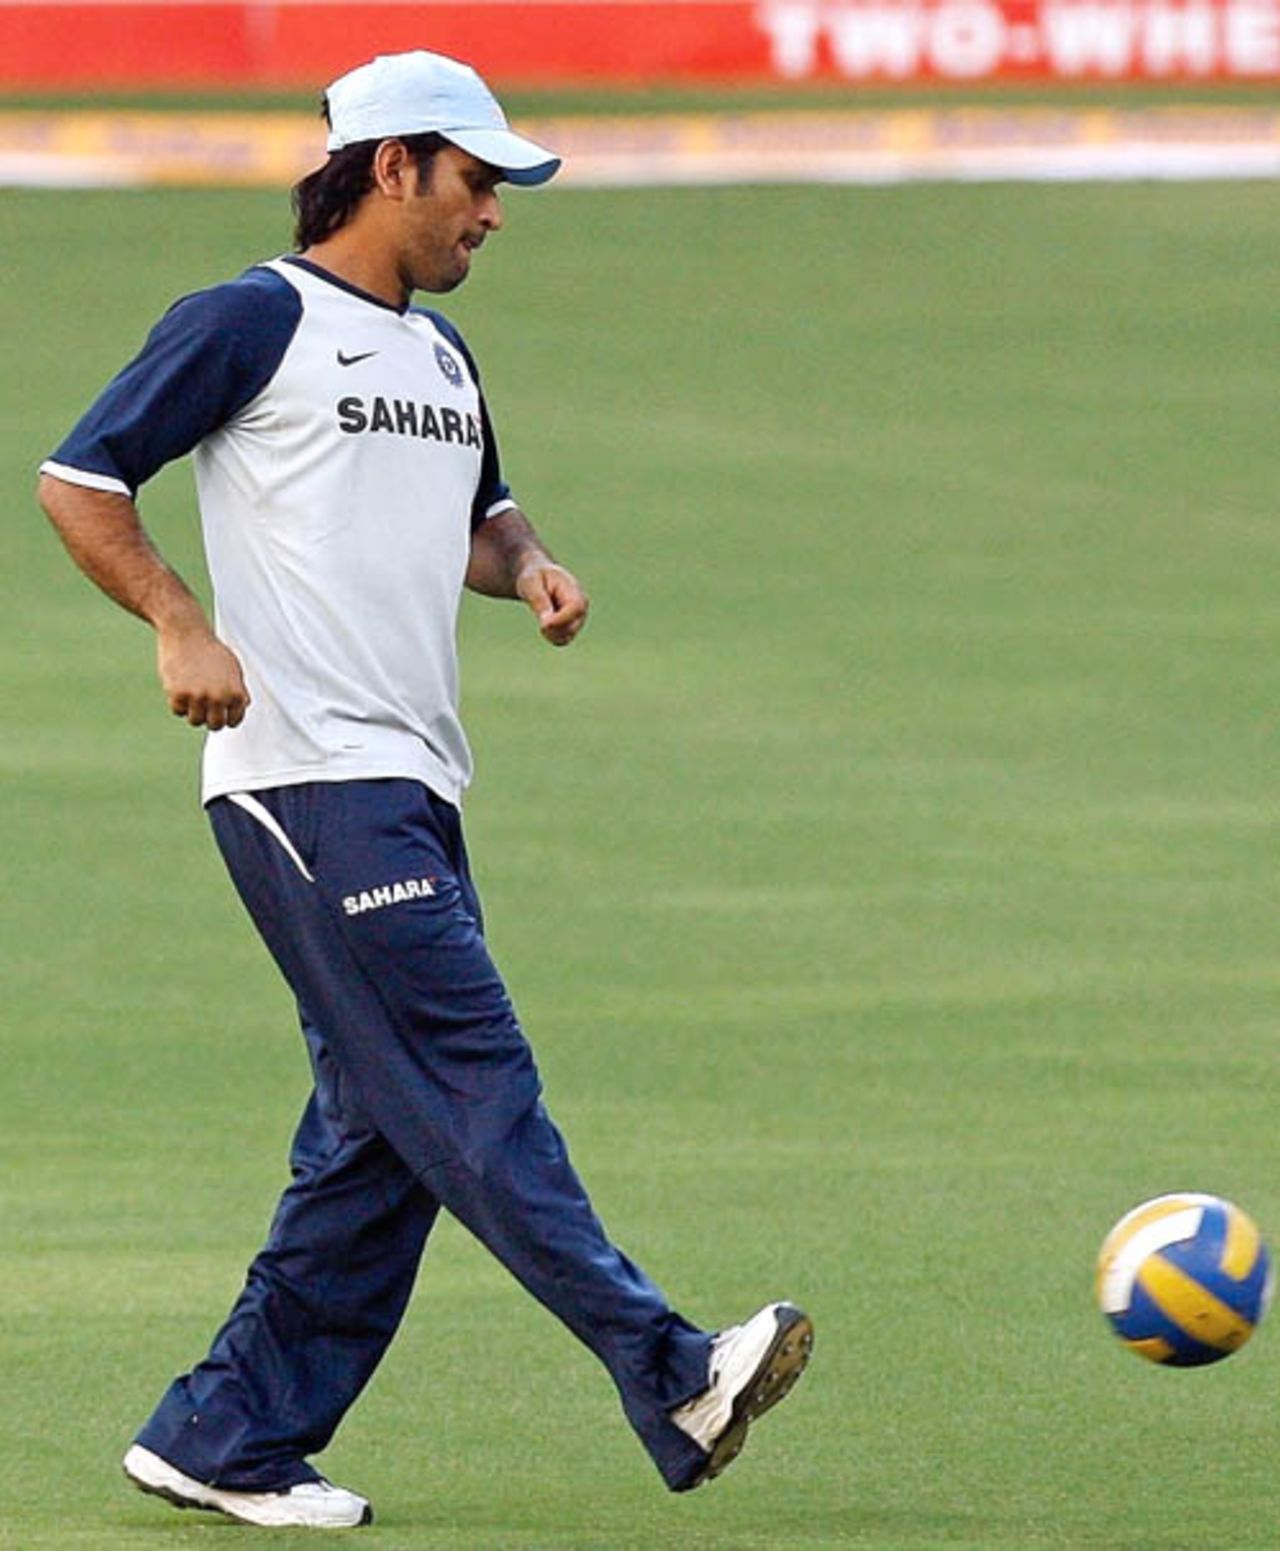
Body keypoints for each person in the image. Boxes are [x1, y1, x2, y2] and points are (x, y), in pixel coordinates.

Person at [37, 49, 812, 1531]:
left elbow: (476, 511)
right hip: (304, 778)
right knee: (469, 1077)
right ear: (391, 167)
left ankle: (228, 1435)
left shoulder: (442, 359)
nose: (494, 214)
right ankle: (671, 1368)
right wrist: (181, 624)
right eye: (475, 182)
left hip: (411, 782)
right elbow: (81, 478)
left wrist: (529, 566)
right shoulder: (252, 319)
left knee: (382, 1135)